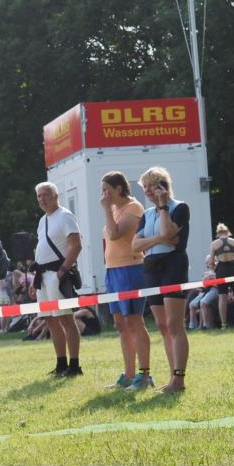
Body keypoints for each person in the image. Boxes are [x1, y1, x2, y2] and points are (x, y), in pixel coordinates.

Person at [132, 167, 191, 393]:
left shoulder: (180, 208)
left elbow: (169, 233)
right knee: (162, 325)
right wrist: (158, 239)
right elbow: (135, 246)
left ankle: (179, 379)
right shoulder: (147, 214)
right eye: (144, 186)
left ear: (162, 186)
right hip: (152, 267)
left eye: (151, 185)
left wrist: (164, 204)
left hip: (173, 265)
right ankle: (171, 376)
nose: (147, 191)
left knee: (175, 324)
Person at [99, 171, 153, 391]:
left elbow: (115, 235)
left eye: (106, 190)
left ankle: (144, 374)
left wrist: (105, 209)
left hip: (131, 270)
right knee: (121, 325)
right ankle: (129, 374)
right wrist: (108, 209)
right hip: (113, 271)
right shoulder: (113, 209)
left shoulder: (133, 208)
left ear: (119, 189)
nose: (103, 195)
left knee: (134, 321)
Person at [31, 182, 83, 377]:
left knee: (65, 319)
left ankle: (74, 364)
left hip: (56, 274)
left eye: (45, 195)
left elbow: (76, 245)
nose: (41, 199)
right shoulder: (42, 220)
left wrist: (62, 271)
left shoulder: (65, 216)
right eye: (39, 196)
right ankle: (61, 363)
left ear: (56, 196)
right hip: (42, 275)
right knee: (50, 320)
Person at [208, 223, 234, 329]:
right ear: (227, 232)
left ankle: (224, 325)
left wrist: (212, 270)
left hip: (221, 270)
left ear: (218, 234)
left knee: (222, 298)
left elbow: (211, 261)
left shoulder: (214, 244)